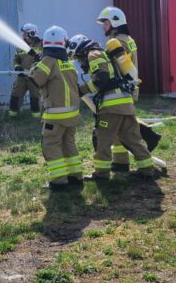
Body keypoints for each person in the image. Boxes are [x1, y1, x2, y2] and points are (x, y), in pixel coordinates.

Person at [71, 36, 155, 181]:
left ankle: (101, 174)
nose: (80, 62)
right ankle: (147, 168)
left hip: (111, 107)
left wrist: (81, 89)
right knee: (132, 139)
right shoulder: (105, 54)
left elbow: (101, 80)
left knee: (103, 139)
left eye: (78, 58)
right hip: (126, 103)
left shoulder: (93, 54)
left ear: (81, 50)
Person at [28, 26, 83, 191]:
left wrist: (34, 67)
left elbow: (36, 80)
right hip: (72, 114)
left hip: (55, 115)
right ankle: (76, 177)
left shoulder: (48, 61)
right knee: (68, 144)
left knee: (51, 145)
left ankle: (58, 182)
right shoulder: (67, 62)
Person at [96, 6, 139, 171]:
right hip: (129, 89)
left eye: (105, 22)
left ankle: (122, 162)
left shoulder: (118, 42)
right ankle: (121, 162)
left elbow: (118, 67)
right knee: (121, 129)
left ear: (114, 22)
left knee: (117, 129)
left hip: (120, 90)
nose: (103, 26)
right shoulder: (128, 39)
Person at [10, 23, 43, 118]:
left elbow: (43, 59)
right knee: (15, 94)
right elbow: (16, 60)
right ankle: (13, 116)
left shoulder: (41, 44)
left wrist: (35, 66)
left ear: (31, 33)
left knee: (35, 97)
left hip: (34, 76)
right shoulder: (20, 45)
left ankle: (36, 117)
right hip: (22, 76)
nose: (23, 35)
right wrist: (17, 67)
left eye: (25, 33)